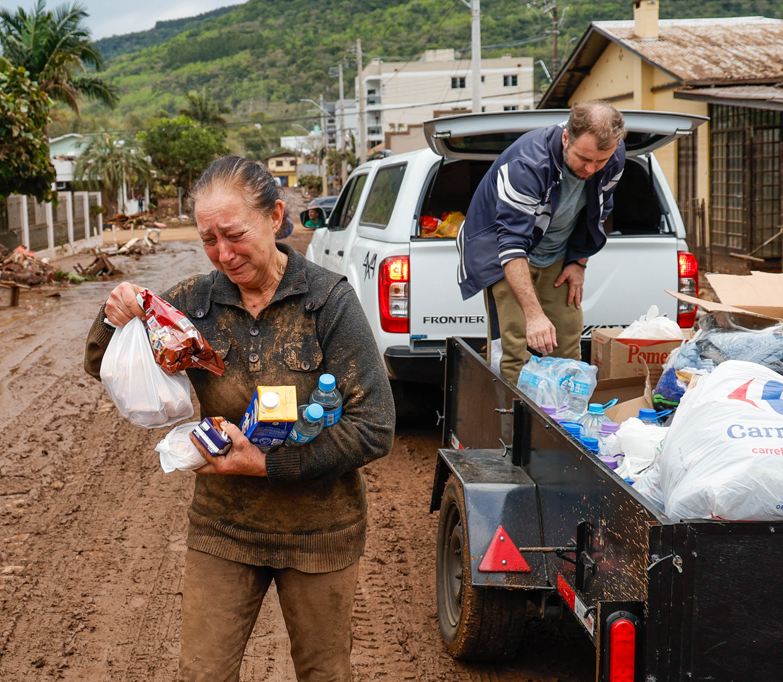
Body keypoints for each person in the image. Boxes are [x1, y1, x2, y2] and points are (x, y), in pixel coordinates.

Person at [83, 156, 395, 681]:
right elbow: (101, 365)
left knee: (324, 672)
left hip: (319, 534)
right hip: (223, 528)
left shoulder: (328, 302)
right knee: (202, 674)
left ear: (275, 216)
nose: (223, 254)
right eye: (209, 239)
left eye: (234, 235)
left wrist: (266, 464)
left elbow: (375, 426)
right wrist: (115, 317)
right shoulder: (193, 305)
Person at [457, 100, 626, 385]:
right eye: (583, 159)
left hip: (557, 253)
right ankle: (508, 411)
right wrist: (534, 316)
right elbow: (512, 243)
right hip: (503, 254)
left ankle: (565, 410)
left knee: (567, 338)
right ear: (566, 138)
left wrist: (578, 262)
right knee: (513, 346)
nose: (590, 168)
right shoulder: (528, 164)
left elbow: (598, 211)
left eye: (600, 161)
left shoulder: (613, 156)